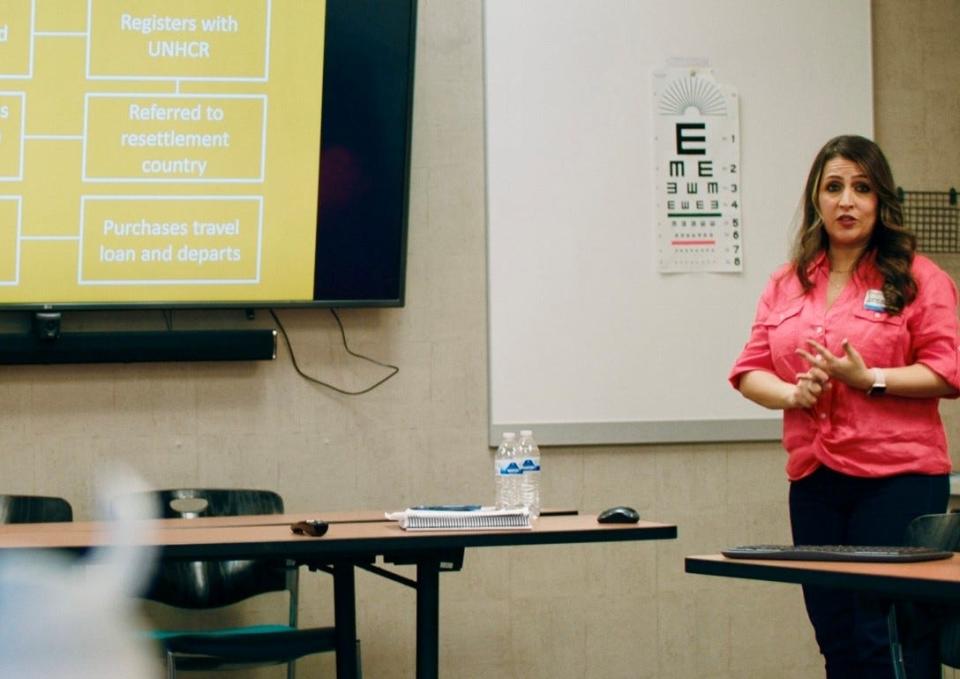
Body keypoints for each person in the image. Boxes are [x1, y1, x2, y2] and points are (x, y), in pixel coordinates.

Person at [729, 134, 960, 678]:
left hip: (897, 479)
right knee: (836, 636)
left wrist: (870, 378)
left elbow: (948, 371)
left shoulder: (919, 277)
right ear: (816, 199)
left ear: (881, 199)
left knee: (887, 638)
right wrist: (792, 394)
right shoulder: (787, 281)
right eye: (833, 188)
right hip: (815, 479)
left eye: (861, 188)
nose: (846, 201)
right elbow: (749, 369)